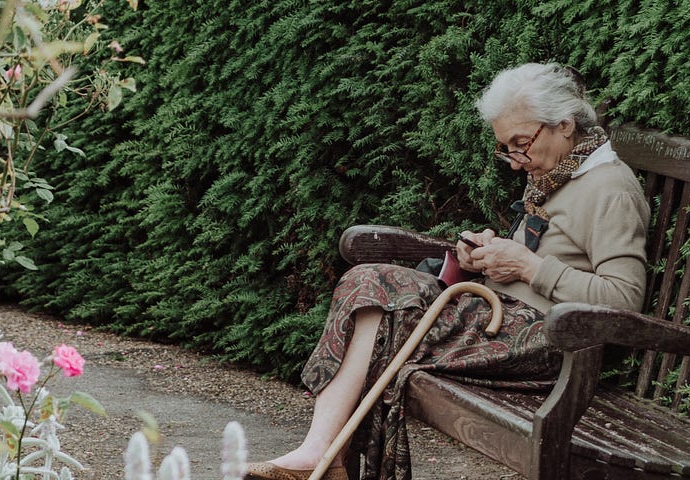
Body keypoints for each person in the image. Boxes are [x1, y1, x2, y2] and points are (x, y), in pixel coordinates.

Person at [245, 63, 651, 480]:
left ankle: (327, 456)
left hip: (550, 345)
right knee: (367, 281)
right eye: (507, 147)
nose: (514, 162)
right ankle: (325, 452)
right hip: (500, 321)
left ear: (564, 125)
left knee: (378, 292)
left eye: (521, 143)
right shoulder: (557, 172)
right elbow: (542, 252)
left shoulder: (610, 189)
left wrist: (530, 267)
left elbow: (623, 302)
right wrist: (482, 256)